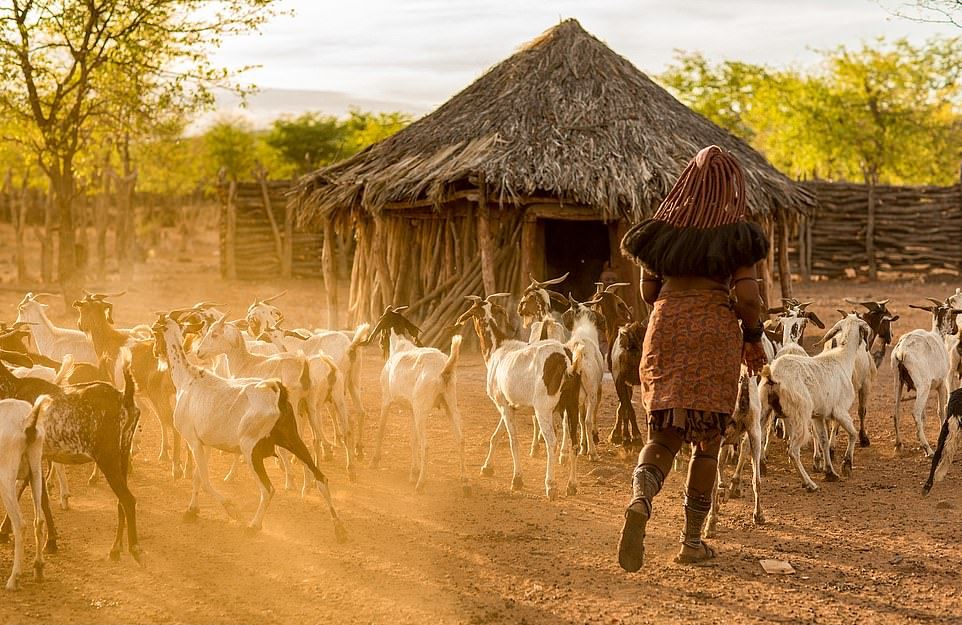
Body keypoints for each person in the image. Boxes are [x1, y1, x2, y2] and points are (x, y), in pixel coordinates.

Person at [616, 145, 769, 570]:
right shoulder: (738, 235)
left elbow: (649, 293)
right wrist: (752, 337)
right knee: (707, 442)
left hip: (664, 330)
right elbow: (748, 296)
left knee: (663, 434)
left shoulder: (661, 232)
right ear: (732, 186)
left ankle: (641, 497)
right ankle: (691, 542)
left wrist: (674, 302)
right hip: (713, 335)